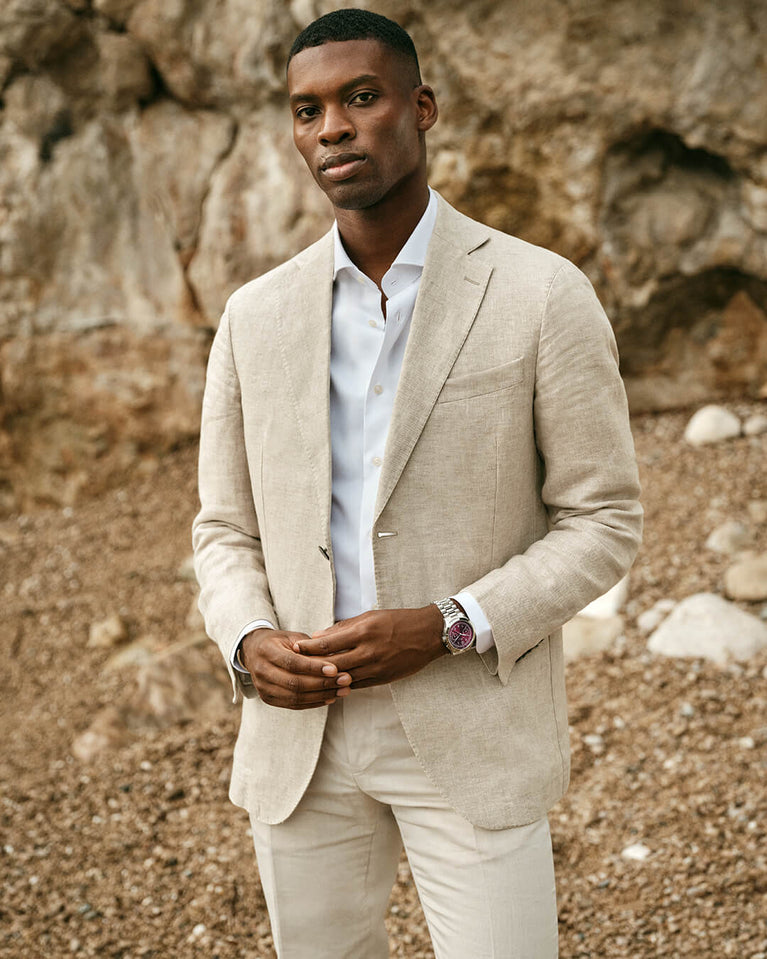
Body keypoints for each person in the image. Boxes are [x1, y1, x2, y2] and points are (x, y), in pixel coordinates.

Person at [192, 8, 642, 958]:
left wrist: (445, 623)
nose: (333, 128)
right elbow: (222, 528)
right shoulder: (253, 316)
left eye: (361, 97)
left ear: (420, 106)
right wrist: (246, 637)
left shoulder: (539, 292)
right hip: (299, 740)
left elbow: (601, 519)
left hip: (469, 725)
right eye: (306, 110)